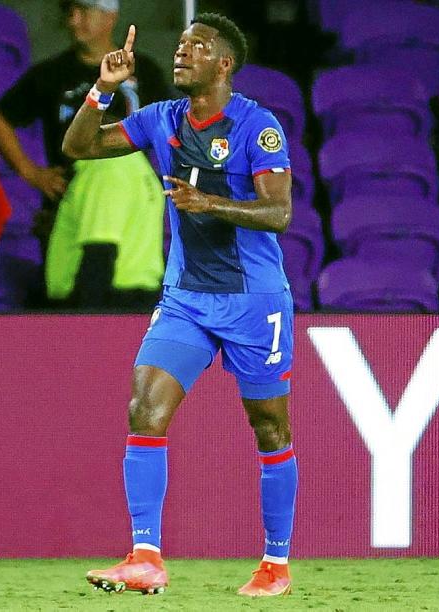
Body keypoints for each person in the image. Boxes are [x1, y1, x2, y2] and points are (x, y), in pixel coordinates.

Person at [62, 13, 297, 597]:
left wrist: (209, 203)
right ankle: (146, 557)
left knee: (269, 428)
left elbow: (279, 213)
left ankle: (275, 565)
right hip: (187, 299)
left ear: (224, 64)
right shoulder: (161, 119)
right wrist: (104, 89)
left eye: (198, 46)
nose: (182, 52)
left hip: (254, 301)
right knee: (145, 406)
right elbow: (79, 145)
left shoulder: (257, 126)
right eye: (181, 43)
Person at [0, 0, 169, 311]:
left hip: (128, 199)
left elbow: (172, 128)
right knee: (73, 288)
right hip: (67, 201)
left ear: (110, 17)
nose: (73, 21)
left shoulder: (145, 72)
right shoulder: (52, 73)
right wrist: (32, 173)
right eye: (70, 13)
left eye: (84, 11)